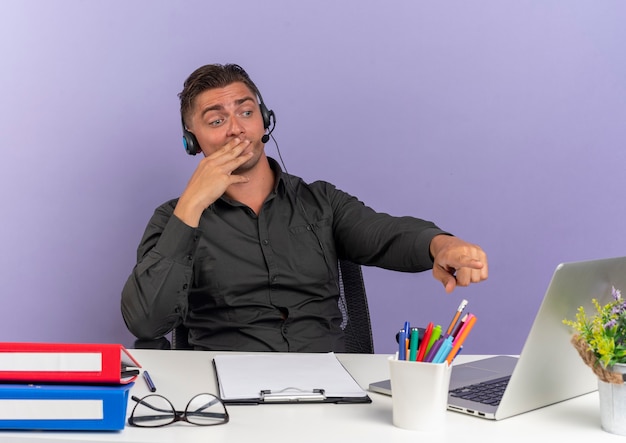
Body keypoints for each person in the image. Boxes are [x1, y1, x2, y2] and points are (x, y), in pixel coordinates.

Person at [121, 63, 488, 352]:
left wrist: (441, 244)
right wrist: (193, 204)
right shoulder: (175, 217)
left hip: (326, 384)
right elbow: (146, 322)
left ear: (265, 121)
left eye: (246, 112)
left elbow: (385, 233)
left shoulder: (321, 202)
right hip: (224, 391)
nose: (236, 129)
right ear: (192, 142)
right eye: (216, 121)